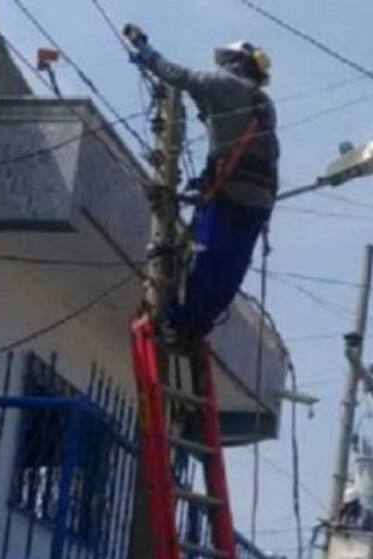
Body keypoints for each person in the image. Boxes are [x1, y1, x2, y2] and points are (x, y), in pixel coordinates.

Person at [124, 25, 279, 340]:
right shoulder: (264, 105)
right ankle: (197, 326)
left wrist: (146, 53)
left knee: (204, 261)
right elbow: (220, 119)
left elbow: (178, 76)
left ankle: (177, 322)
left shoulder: (224, 83)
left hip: (228, 194)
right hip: (260, 200)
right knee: (230, 270)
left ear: (235, 63)